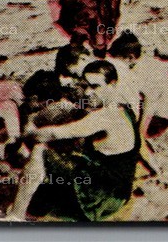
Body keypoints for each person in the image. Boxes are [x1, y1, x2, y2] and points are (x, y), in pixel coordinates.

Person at [8, 59, 139, 222]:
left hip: (103, 197)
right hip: (118, 189)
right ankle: (36, 208)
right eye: (86, 86)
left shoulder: (106, 116)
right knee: (47, 185)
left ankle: (15, 216)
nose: (89, 92)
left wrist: (27, 129)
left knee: (41, 150)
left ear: (112, 84)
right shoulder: (124, 108)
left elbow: (52, 134)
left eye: (95, 86)